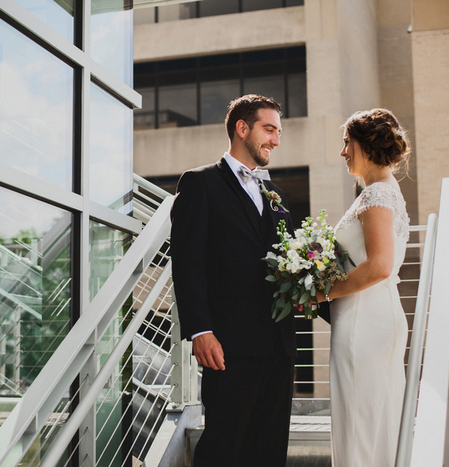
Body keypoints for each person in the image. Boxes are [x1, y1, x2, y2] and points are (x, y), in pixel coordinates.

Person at [170, 94, 296, 466]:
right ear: (242, 128)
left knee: (270, 449)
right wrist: (200, 331)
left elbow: (289, 263)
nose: (276, 139)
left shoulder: (276, 193)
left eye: (278, 131)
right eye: (269, 129)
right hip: (228, 345)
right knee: (224, 447)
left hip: (279, 343)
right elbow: (187, 262)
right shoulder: (199, 183)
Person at [314, 108, 411, 466]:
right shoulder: (384, 190)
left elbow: (380, 266)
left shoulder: (375, 197)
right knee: (375, 422)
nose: (342, 152)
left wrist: (320, 292)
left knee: (358, 425)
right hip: (377, 316)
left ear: (366, 145)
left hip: (361, 323)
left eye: (346, 143)